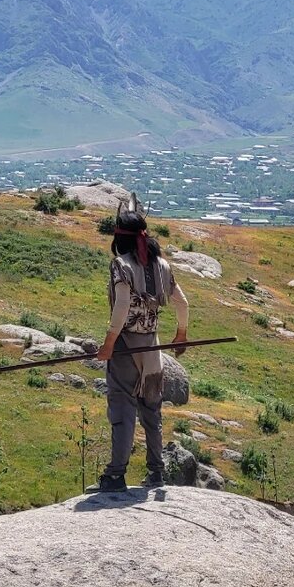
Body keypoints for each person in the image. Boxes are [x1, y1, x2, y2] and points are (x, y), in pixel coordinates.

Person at [90, 193, 188, 492]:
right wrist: (181, 334)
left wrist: (109, 343)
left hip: (125, 348)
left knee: (122, 409)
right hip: (153, 349)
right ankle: (156, 472)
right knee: (151, 411)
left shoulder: (121, 265)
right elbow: (182, 303)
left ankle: (115, 475)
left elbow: (122, 306)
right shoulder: (162, 266)